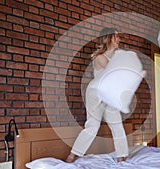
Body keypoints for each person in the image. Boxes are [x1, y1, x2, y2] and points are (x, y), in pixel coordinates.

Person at [66, 28, 128, 163]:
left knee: (117, 125)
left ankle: (121, 158)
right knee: (93, 126)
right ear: (109, 38)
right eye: (116, 36)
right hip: (96, 94)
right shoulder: (100, 57)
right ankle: (72, 156)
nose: (119, 39)